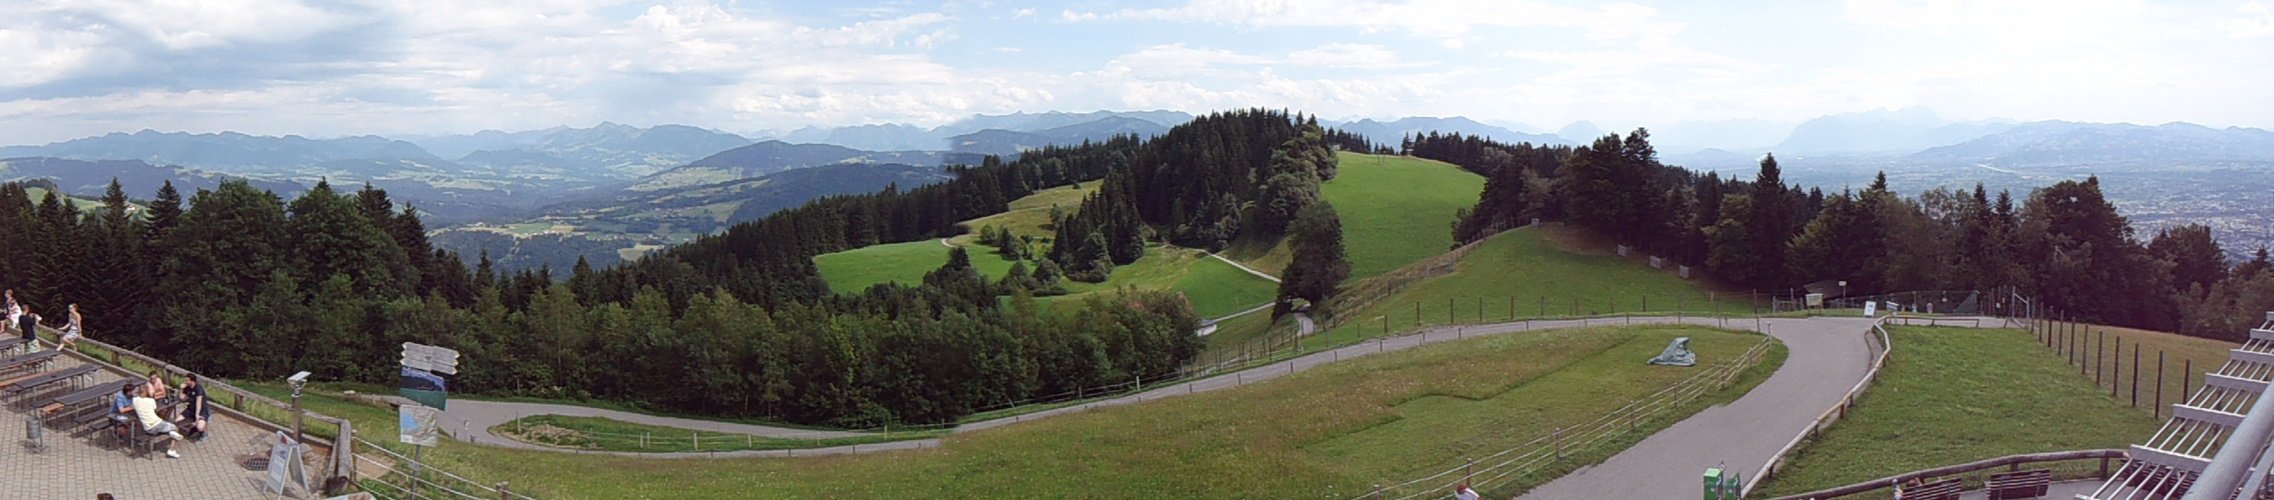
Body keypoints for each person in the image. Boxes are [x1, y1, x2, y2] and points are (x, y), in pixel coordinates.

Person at [131, 382, 183, 458]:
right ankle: (171, 450)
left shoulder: (134, 400)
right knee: (176, 428)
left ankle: (170, 432)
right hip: (157, 424)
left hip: (147, 428)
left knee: (164, 425)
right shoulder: (151, 401)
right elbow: (156, 410)